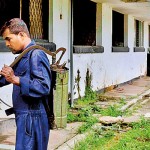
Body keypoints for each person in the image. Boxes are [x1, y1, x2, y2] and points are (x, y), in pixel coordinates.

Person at [0, 18, 51, 150]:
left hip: (33, 118)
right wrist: (10, 77)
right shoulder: (24, 55)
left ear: (21, 35)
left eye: (8, 38)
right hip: (25, 117)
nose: (7, 44)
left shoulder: (36, 54)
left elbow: (43, 86)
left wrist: (15, 79)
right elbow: (7, 78)